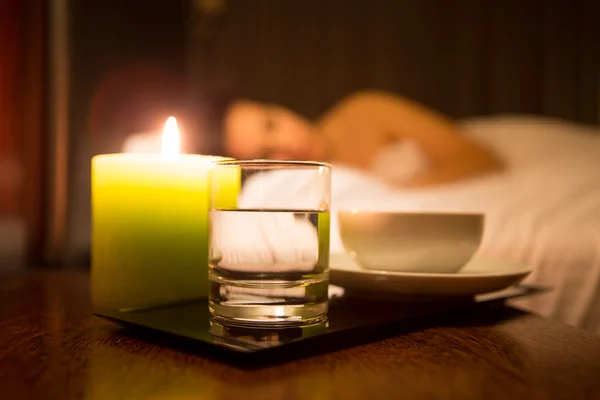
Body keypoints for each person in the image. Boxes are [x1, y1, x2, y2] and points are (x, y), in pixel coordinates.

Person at [223, 90, 503, 187]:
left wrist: (409, 194)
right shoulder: (296, 196)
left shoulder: (364, 112)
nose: (289, 144)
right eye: (269, 153)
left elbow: (479, 156)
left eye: (272, 124)